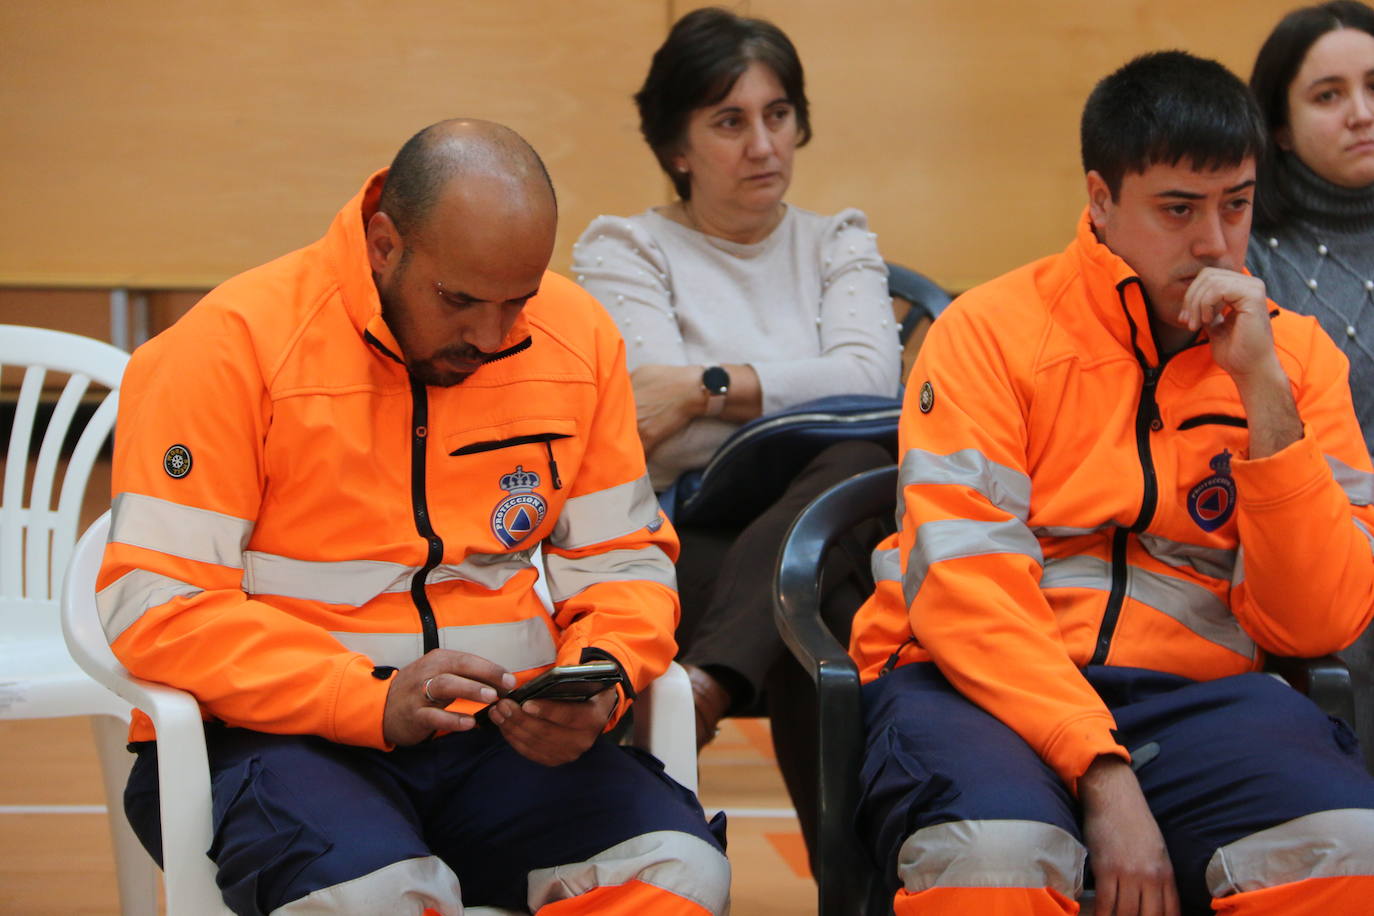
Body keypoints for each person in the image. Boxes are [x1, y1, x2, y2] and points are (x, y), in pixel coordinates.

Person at [97, 119, 730, 916]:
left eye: (518, 302)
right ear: (385, 244)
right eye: (460, 300)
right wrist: (365, 698)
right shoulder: (229, 348)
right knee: (373, 899)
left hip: (502, 742)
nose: (493, 337)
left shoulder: (577, 339)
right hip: (280, 744)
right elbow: (157, 604)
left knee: (676, 873)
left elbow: (623, 561)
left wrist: (601, 677)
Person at [847, 51, 1374, 915]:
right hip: (975, 689)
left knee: (1350, 850)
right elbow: (965, 585)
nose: (1213, 242)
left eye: (1235, 206)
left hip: (1198, 700)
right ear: (1101, 200)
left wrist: (1265, 400)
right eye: (1177, 209)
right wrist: (1101, 769)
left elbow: (1317, 620)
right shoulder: (989, 332)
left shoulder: (1294, 360)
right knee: (996, 860)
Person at [571, 6, 900, 755]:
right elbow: (656, 440)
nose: (764, 146)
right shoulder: (627, 249)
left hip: (811, 527)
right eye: (730, 122)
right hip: (685, 537)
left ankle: (706, 689)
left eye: (778, 115)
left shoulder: (836, 240)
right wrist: (804, 401)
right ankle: (848, 877)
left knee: (856, 467)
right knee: (830, 583)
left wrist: (702, 388)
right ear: (676, 147)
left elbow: (873, 385)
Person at [1247, 0, 1374, 772]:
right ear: (1282, 129)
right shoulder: (1251, 253)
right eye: (1329, 95)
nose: (1362, 113)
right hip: (1328, 548)